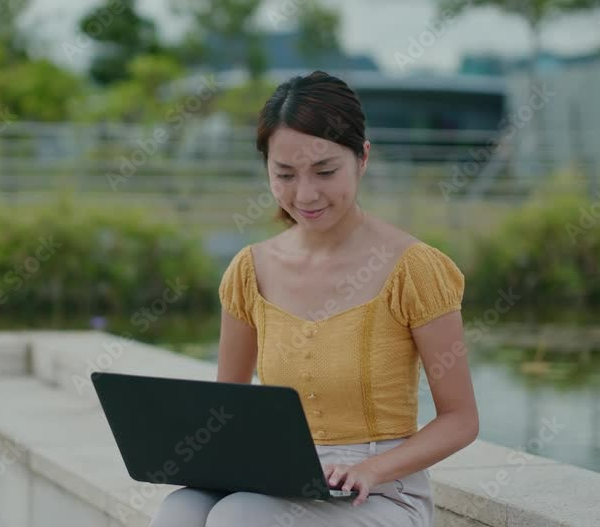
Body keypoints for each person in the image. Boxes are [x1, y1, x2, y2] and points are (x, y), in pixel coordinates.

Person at [149, 70, 479, 527]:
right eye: (284, 174)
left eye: (325, 171)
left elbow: (461, 419)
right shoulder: (249, 270)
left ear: (362, 158)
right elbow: (227, 410)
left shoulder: (415, 269)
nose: (305, 194)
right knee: (179, 511)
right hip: (279, 478)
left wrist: (369, 469)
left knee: (239, 518)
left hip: (381, 491)